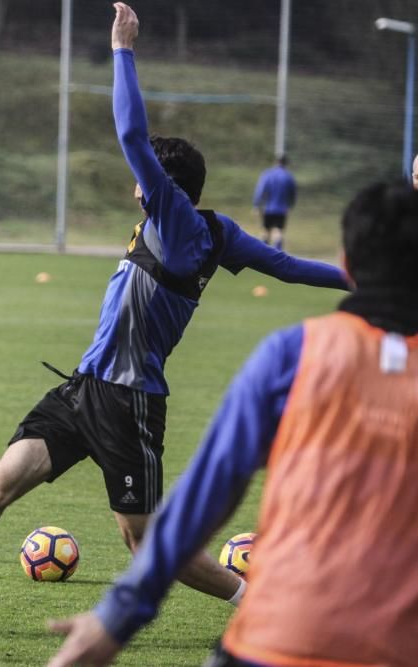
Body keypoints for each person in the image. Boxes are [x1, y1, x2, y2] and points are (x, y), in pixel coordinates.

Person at [0, 1, 349, 630]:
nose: (134, 184)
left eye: (144, 179)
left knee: (147, 544)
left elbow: (130, 135)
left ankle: (275, 609)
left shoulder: (177, 221)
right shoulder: (215, 230)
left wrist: (122, 51)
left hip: (128, 404)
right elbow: (289, 267)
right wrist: (363, 276)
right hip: (84, 390)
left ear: (162, 188)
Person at [45, 179, 418, 667]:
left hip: (277, 637)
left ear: (347, 265)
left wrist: (119, 616)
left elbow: (206, 494)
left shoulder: (292, 356)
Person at [253, 154, 297, 250]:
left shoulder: (267, 174)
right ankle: (277, 252)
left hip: (267, 208)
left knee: (265, 230)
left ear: (276, 162)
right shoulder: (288, 176)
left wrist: (256, 204)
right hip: (281, 209)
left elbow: (260, 190)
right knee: (278, 231)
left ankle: (263, 252)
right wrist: (291, 205)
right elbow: (293, 192)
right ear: (286, 164)